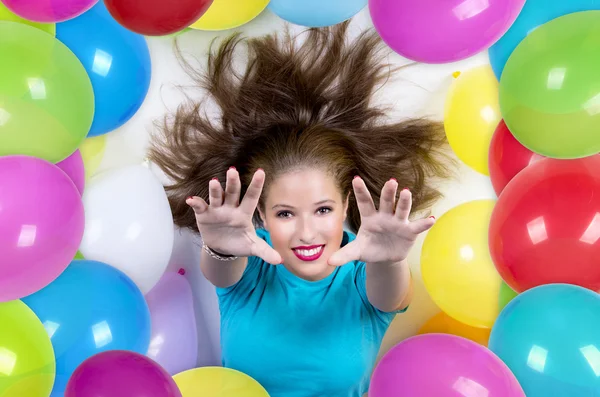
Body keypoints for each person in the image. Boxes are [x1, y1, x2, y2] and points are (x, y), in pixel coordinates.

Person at [148, 21, 454, 397]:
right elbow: (222, 275)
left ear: (345, 206)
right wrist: (223, 247)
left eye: (323, 210)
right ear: (261, 216)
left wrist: (389, 262)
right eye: (285, 214)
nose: (307, 233)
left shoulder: (365, 273)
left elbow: (390, 295)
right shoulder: (254, 263)